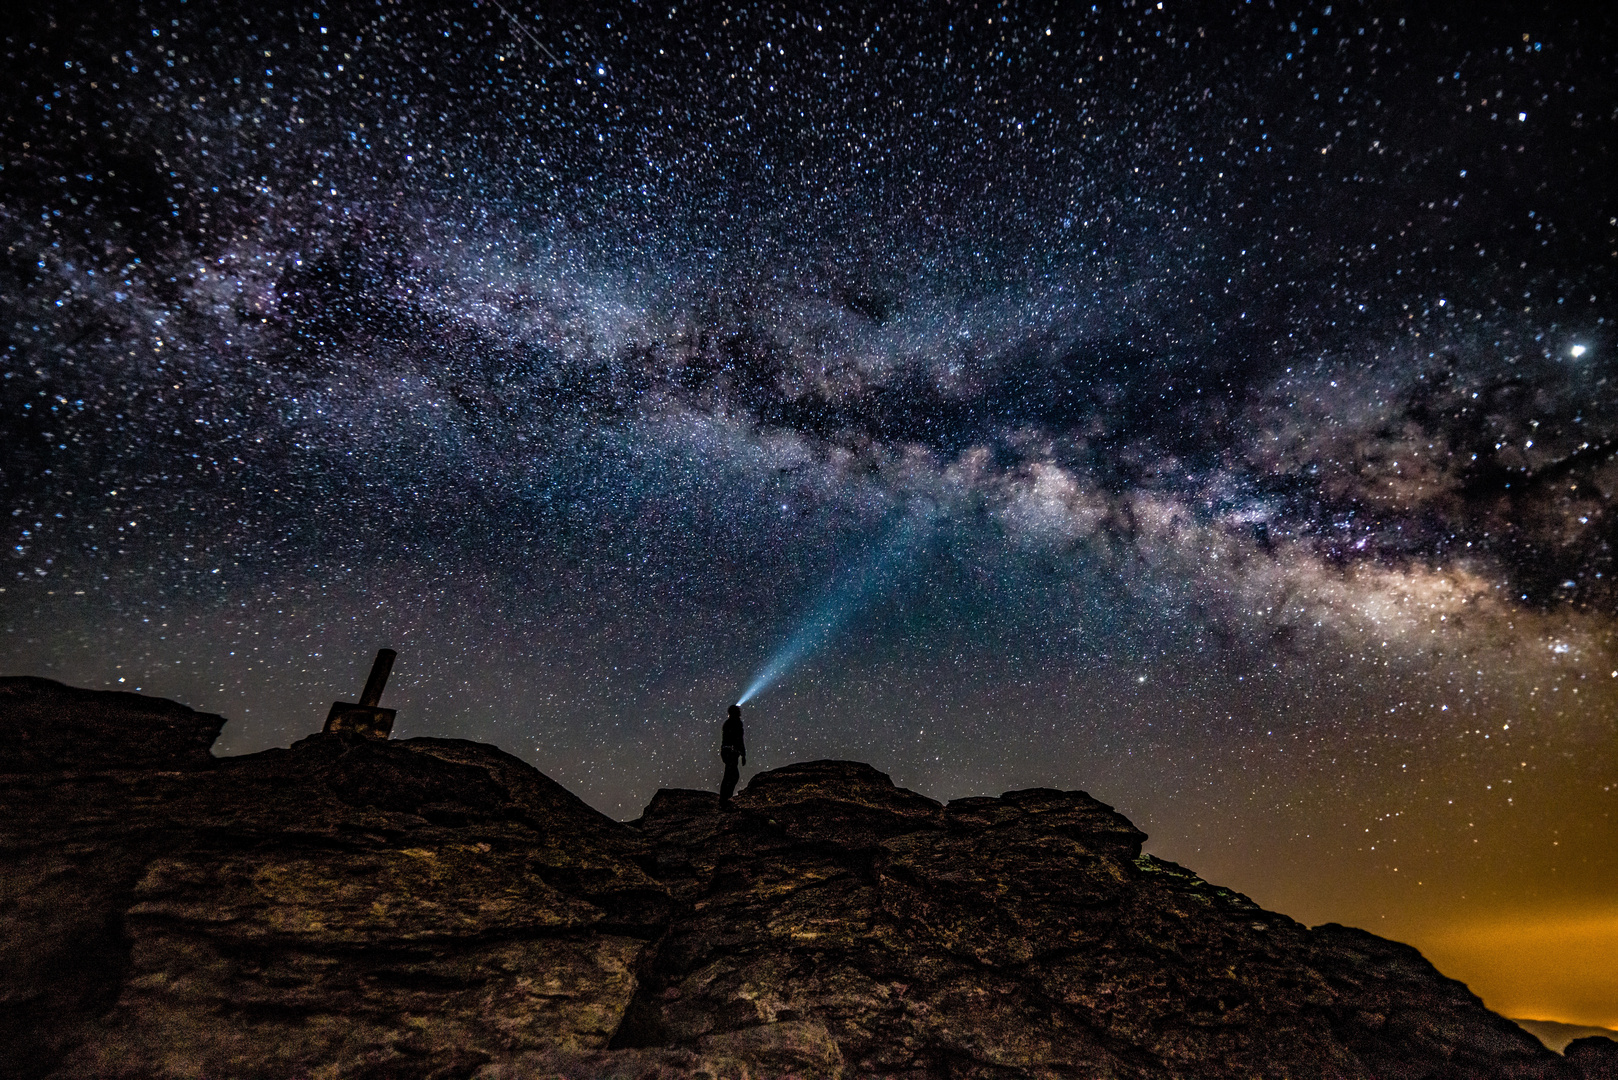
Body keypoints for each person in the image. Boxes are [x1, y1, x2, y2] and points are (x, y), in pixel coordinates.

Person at [719, 703, 746, 808]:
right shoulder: (735, 723)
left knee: (731, 775)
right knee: (731, 775)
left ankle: (725, 798)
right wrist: (743, 754)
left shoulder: (729, 723)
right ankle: (725, 800)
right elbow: (739, 739)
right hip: (731, 752)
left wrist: (742, 754)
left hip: (729, 752)